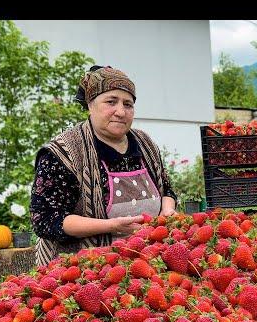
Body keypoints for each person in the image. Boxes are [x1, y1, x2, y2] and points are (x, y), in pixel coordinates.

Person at [30, 65, 177, 266]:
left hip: (145, 264)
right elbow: (45, 219)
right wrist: (110, 226)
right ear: (90, 105)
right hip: (79, 273)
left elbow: (167, 190)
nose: (121, 111)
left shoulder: (145, 144)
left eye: (128, 104)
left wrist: (167, 210)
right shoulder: (63, 152)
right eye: (111, 102)